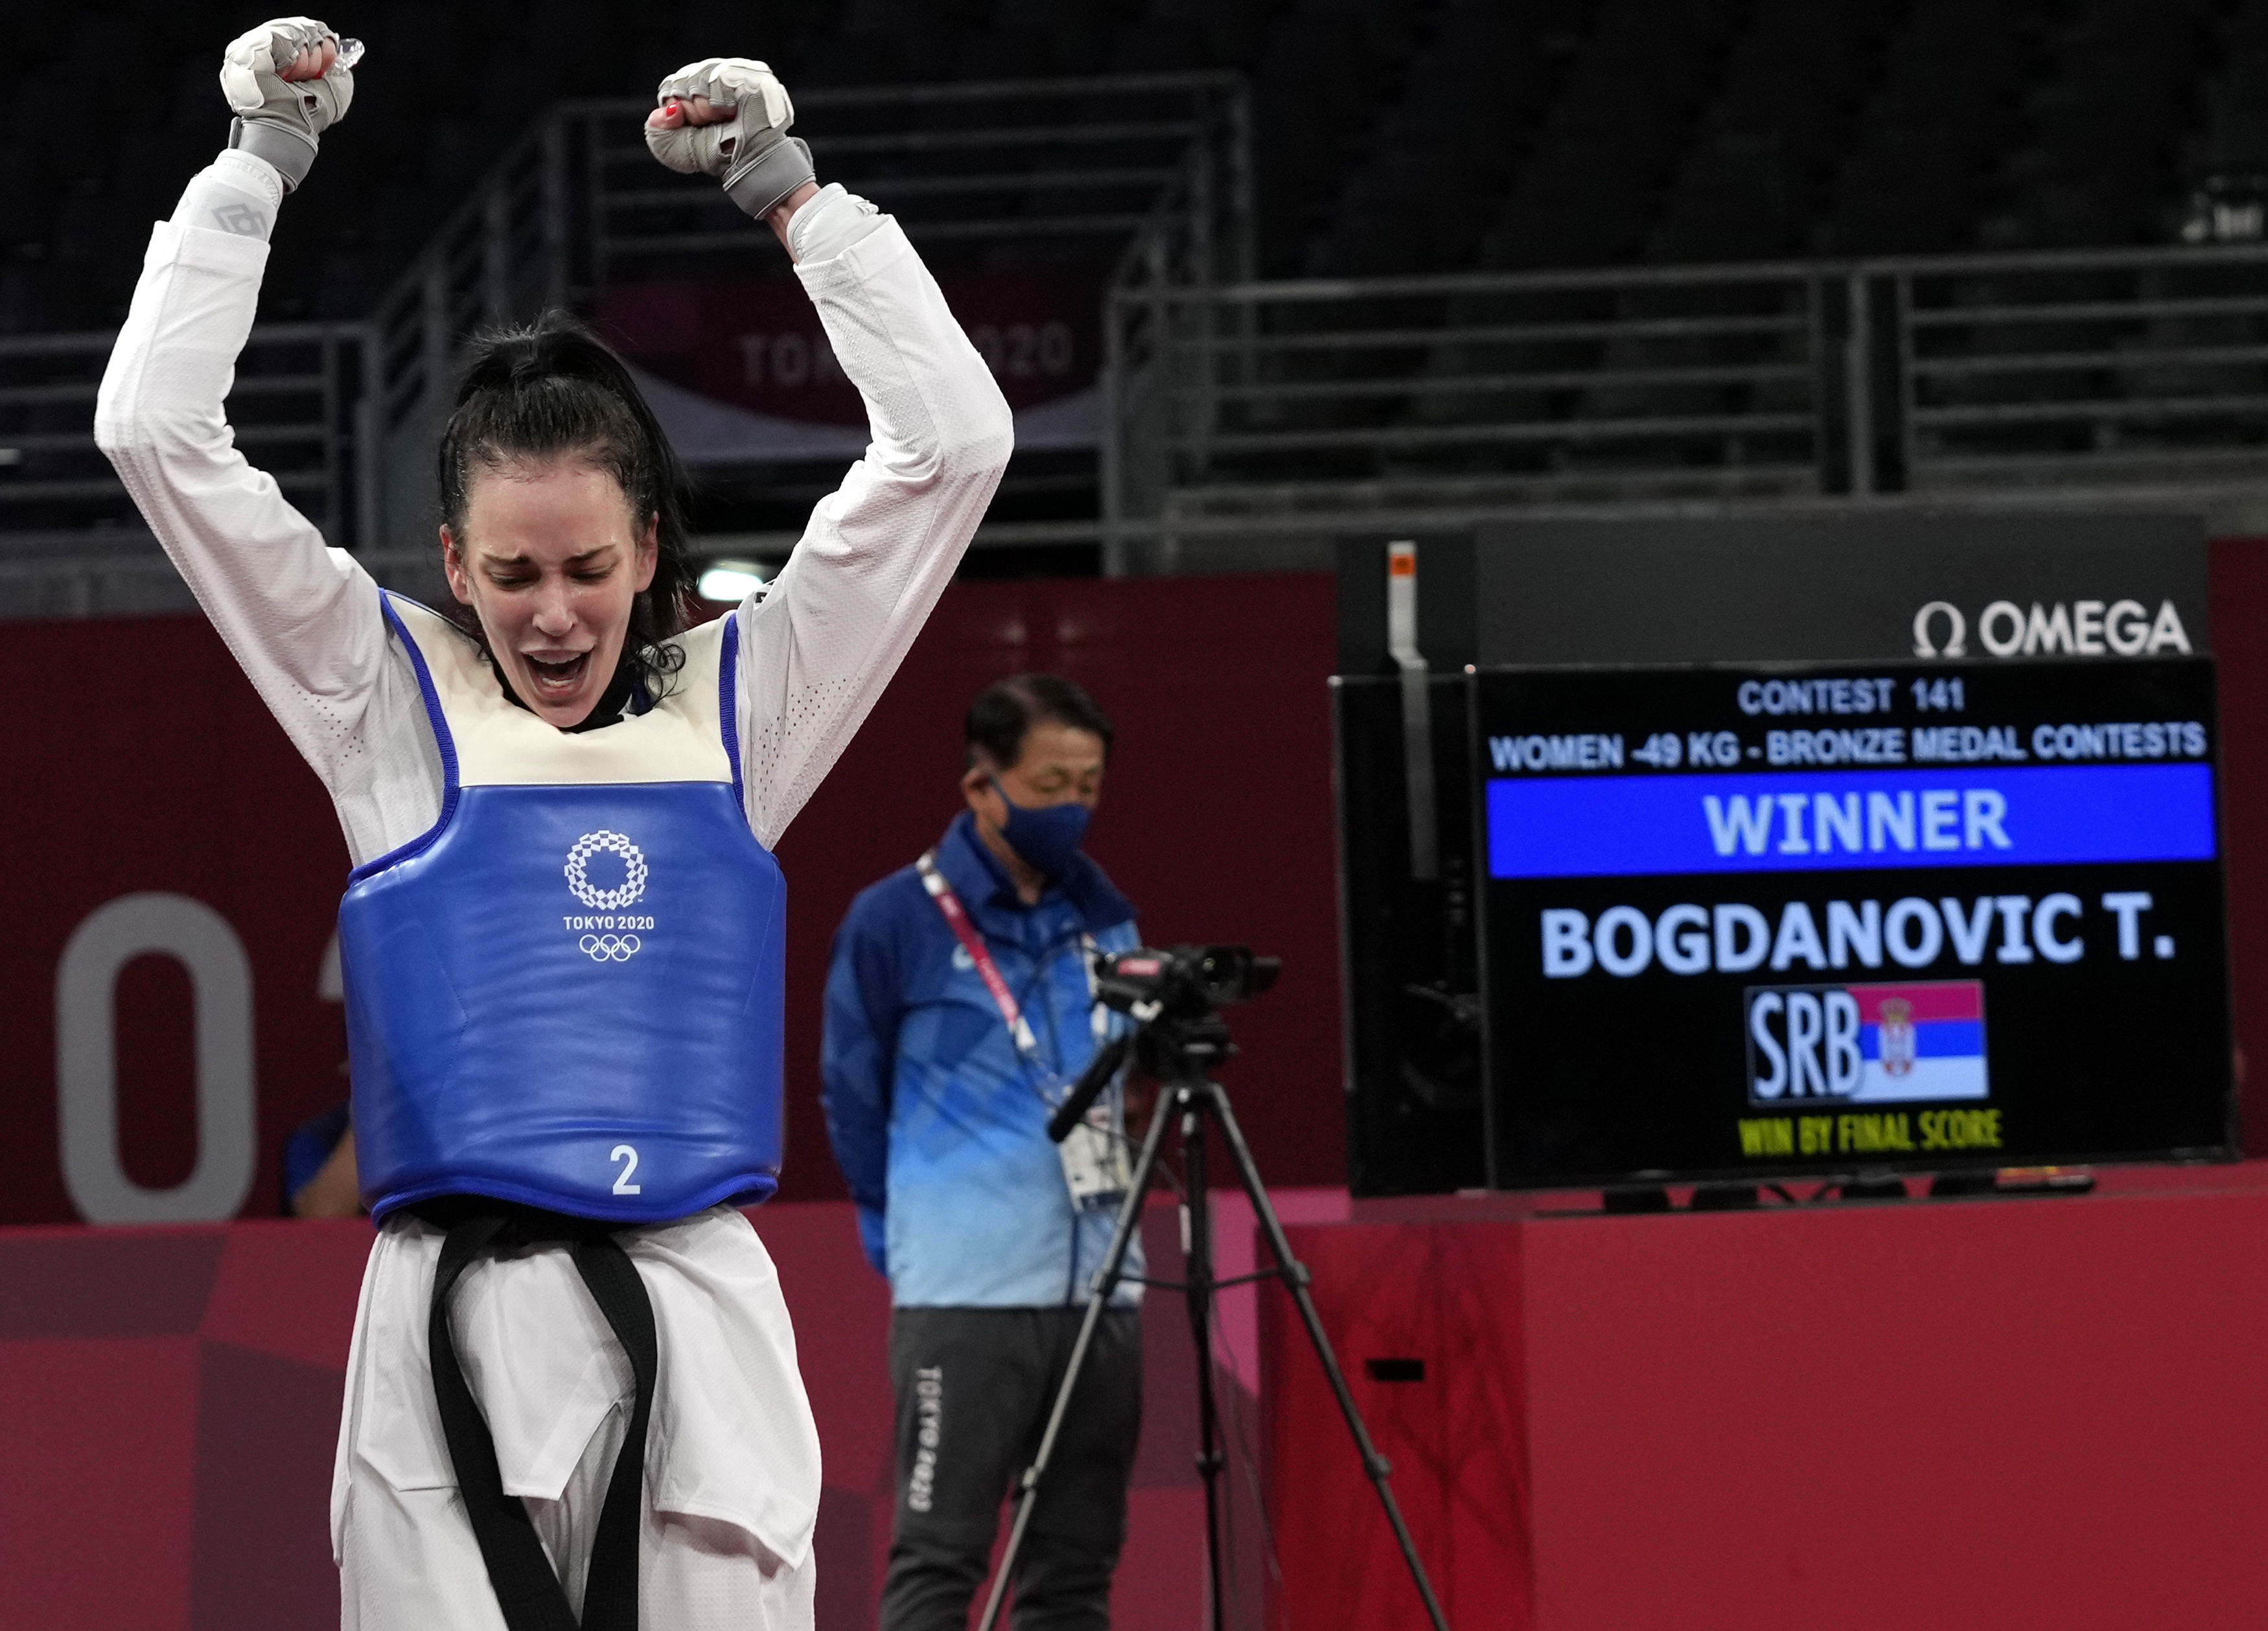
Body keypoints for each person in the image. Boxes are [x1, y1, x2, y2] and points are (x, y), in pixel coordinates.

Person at [97, 19, 1012, 1630]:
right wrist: (260, 164)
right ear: (453, 564)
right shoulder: (384, 699)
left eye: (589, 568)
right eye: (511, 574)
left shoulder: (746, 707)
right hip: (449, 1328)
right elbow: (154, 432)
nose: (554, 613)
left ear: (649, 548)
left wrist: (788, 191)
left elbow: (952, 445)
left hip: (698, 1313)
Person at [821, 675, 1146, 1631]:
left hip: (1102, 1285)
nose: (1072, 806)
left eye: (1089, 786)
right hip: (965, 1288)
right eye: (1050, 785)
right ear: (981, 786)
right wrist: (899, 1232)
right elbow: (851, 1094)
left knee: (1076, 1572)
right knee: (940, 1559)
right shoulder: (894, 920)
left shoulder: (1106, 916)